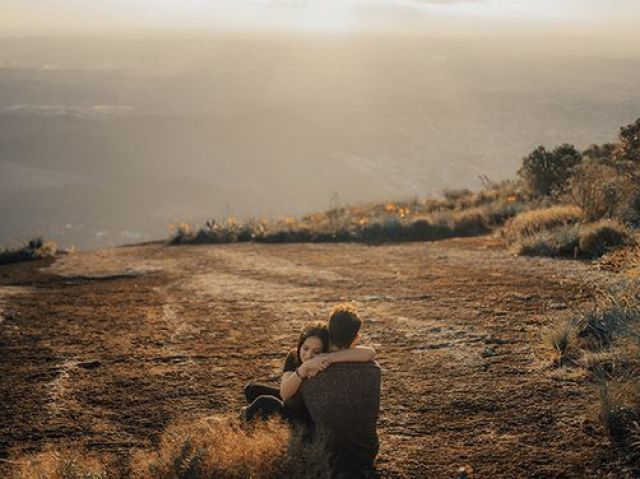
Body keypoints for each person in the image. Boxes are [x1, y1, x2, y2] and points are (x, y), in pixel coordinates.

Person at [243, 320, 375, 426]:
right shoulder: (294, 356)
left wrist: (327, 358)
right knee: (251, 390)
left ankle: (233, 425)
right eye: (305, 348)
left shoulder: (325, 359)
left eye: (316, 352)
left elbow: (369, 352)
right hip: (295, 402)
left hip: (308, 417)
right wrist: (304, 368)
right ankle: (260, 424)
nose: (308, 355)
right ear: (300, 345)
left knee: (264, 402)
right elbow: (285, 394)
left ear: (324, 351)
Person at [300, 304, 381, 478]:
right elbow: (370, 352)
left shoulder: (313, 371)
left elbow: (293, 404)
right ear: (356, 337)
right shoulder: (374, 369)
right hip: (366, 454)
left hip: (330, 455)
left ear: (328, 332)